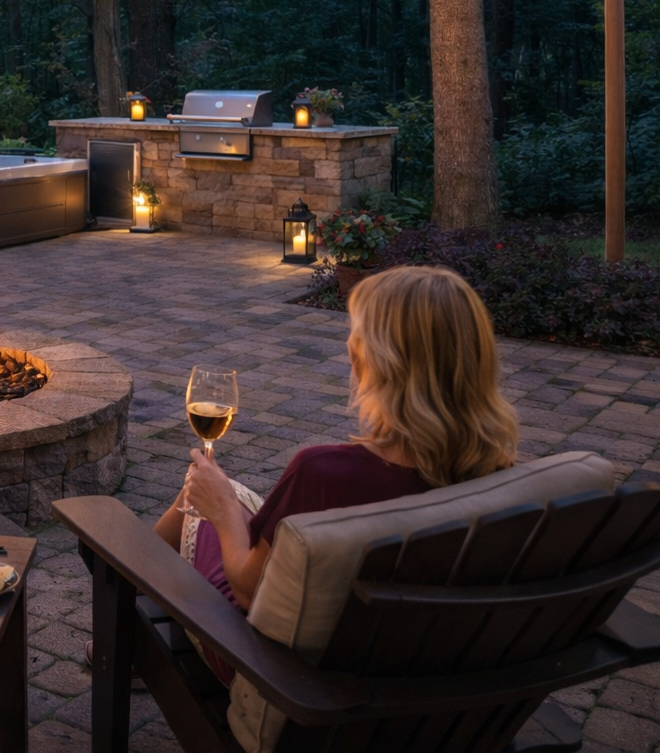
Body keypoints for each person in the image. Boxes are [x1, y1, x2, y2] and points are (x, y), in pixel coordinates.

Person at [154, 265, 519, 683]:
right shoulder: (501, 475)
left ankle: (123, 621)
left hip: (283, 676)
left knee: (199, 503)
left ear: (376, 362)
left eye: (357, 332)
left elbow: (249, 590)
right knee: (224, 489)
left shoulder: (326, 475)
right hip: (423, 670)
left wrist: (220, 512)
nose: (350, 343)